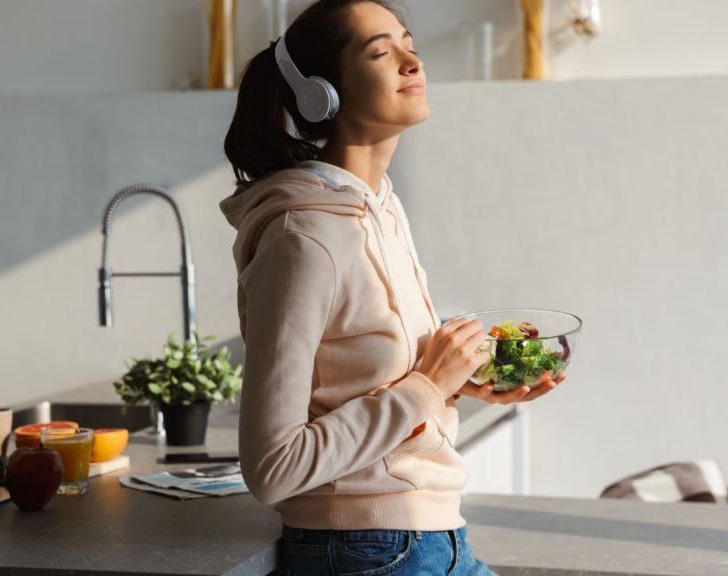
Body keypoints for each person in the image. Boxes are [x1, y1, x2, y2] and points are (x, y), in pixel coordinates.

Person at [220, 1, 564, 574]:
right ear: (320, 95)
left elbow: (370, 380)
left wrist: (464, 381)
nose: (411, 61)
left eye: (410, 44)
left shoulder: (380, 207)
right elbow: (272, 466)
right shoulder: (304, 235)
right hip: (367, 551)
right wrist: (428, 387)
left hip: (429, 538)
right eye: (380, 52)